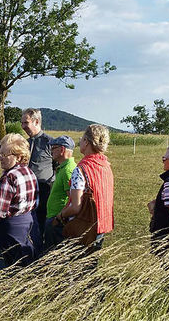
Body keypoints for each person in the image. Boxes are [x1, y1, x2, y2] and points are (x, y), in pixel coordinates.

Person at [51, 124, 115, 257]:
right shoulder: (106, 166)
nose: (80, 141)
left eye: (82, 138)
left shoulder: (80, 169)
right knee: (92, 263)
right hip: (102, 223)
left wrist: (60, 216)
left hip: (83, 225)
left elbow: (76, 207)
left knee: (78, 266)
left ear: (86, 142)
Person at [0, 133, 39, 270]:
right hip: (26, 226)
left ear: (19, 157)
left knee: (5, 272)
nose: (0, 158)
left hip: (7, 233)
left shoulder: (9, 178)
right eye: (0, 153)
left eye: (4, 155)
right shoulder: (29, 172)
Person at [21, 109, 53, 248]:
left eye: (26, 122)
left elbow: (57, 166)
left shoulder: (49, 142)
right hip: (26, 191)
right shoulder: (24, 144)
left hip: (45, 190)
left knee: (42, 223)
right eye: (22, 122)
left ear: (37, 121)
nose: (23, 126)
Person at [42, 136, 77, 251]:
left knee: (53, 252)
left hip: (58, 220)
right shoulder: (63, 168)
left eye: (54, 148)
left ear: (62, 150)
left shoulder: (68, 170)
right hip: (55, 217)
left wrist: (59, 218)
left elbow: (72, 199)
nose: (51, 151)